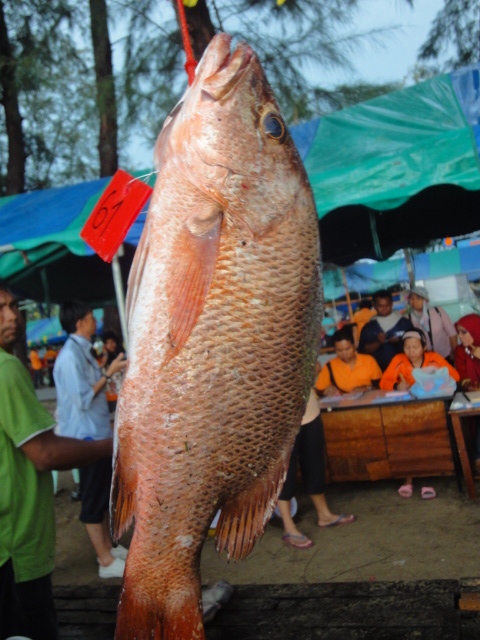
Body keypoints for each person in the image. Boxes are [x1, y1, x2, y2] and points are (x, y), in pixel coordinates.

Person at [0, 281, 116, 640]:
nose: (12, 317)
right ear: (80, 321)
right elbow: (44, 453)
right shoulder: (7, 369)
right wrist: (113, 445)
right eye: (1, 309)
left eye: (14, 307)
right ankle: (106, 559)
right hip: (15, 544)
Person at [53, 301, 128, 581]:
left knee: (102, 493)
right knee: (92, 498)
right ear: (78, 322)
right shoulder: (70, 357)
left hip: (97, 433)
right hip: (85, 438)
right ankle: (105, 560)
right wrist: (108, 373)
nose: (94, 320)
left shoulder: (83, 351)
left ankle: (109, 548)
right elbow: (83, 399)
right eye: (89, 317)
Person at [380, 328, 460, 500]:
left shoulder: (434, 358)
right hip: (407, 410)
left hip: (431, 409)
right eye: (407, 347)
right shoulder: (399, 360)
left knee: (428, 439)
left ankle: (426, 479)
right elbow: (383, 382)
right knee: (408, 440)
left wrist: (436, 374)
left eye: (415, 347)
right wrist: (396, 386)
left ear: (424, 347)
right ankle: (408, 478)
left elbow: (455, 376)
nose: (411, 351)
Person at [276, 388, 356, 549]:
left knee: (315, 463)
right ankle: (288, 527)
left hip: (309, 411)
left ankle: (324, 514)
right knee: (285, 472)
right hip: (278, 418)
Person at [315, 325, 382, 396]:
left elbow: (380, 386)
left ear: (354, 346)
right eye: (339, 350)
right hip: (343, 404)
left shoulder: (368, 361)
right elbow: (319, 390)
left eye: (347, 349)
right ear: (335, 350)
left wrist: (367, 388)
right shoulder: (330, 366)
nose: (344, 353)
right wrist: (326, 391)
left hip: (369, 402)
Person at [358, 289, 413, 371]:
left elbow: (415, 345)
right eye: (380, 306)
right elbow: (363, 351)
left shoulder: (404, 323)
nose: (384, 309)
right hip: (378, 371)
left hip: (403, 369)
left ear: (392, 304)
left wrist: (399, 342)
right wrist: (378, 342)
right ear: (374, 305)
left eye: (387, 305)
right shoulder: (368, 327)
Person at [454, 314, 480, 476]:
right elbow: (462, 377)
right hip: (474, 398)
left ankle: (477, 458)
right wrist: (469, 385)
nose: (460, 336)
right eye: (459, 332)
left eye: (464, 332)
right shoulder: (460, 351)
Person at [406, 285, 457, 361]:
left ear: (425, 300)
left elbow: (452, 333)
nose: (414, 301)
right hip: (424, 359)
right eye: (412, 298)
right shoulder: (408, 317)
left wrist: (455, 353)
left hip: (444, 356)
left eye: (418, 298)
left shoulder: (437, 311)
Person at [99, 330, 124, 413]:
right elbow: (101, 367)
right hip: (111, 399)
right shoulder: (102, 360)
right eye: (107, 343)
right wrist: (105, 354)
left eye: (112, 342)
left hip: (122, 396)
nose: (111, 345)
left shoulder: (121, 356)